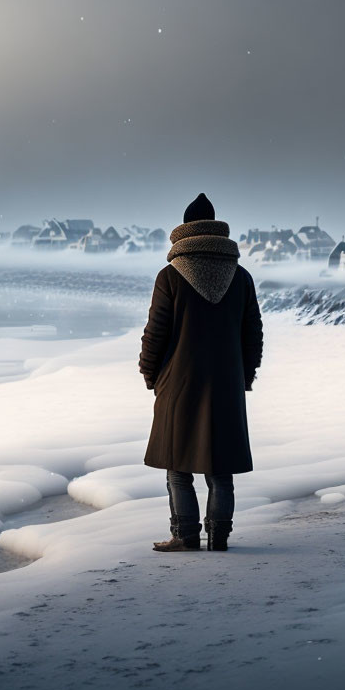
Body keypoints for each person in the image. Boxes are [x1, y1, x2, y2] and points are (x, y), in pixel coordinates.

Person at [139, 193, 263, 552]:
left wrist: (151, 375)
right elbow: (252, 333)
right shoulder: (241, 277)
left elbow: (155, 333)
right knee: (220, 468)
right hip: (226, 383)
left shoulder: (170, 276)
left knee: (178, 466)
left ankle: (185, 535)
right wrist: (246, 376)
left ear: (183, 231)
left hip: (179, 382)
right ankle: (219, 538)